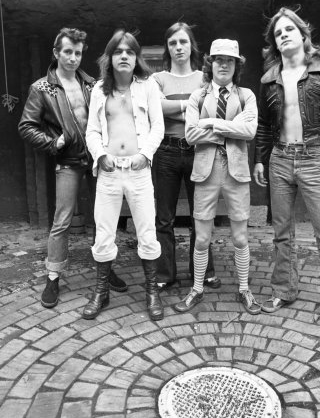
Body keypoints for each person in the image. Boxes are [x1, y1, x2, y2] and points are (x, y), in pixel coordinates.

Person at [253, 7, 320, 334]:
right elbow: (262, 124)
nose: (283, 35)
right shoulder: (268, 78)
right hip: (280, 159)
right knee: (282, 232)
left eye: (289, 29)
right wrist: (260, 158)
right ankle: (284, 291)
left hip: (315, 158)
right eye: (278, 33)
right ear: (275, 42)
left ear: (303, 34)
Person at [18, 27, 127, 309]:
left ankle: (106, 268)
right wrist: (54, 142)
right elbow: (26, 127)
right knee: (62, 220)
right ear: (56, 53)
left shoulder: (93, 84)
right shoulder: (41, 88)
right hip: (67, 161)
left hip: (96, 159)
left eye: (78, 53)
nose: (73, 58)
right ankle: (53, 275)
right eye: (67, 52)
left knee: (102, 218)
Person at [175, 38, 260, 314]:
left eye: (230, 60)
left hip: (237, 172)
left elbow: (249, 132)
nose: (224, 64)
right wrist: (231, 128)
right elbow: (190, 135)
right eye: (218, 59)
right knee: (201, 238)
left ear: (237, 65)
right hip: (205, 171)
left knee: (240, 237)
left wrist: (211, 123)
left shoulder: (247, 95)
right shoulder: (198, 96)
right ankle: (197, 288)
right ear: (210, 64)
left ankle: (244, 289)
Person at [84, 29, 164, 321]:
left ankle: (152, 291)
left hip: (138, 171)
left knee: (147, 231)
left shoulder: (148, 87)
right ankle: (101, 292)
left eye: (130, 51)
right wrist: (100, 155)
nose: (124, 56)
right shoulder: (98, 90)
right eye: (118, 51)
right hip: (108, 172)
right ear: (110, 57)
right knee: (104, 232)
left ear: (136, 57)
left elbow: (158, 127)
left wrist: (145, 155)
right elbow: (92, 130)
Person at [152, 22, 220, 291]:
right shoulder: (158, 79)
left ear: (191, 45)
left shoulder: (205, 79)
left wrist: (174, 109)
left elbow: (210, 113)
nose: (178, 47)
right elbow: (156, 108)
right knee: (164, 218)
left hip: (198, 151)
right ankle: (165, 274)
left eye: (182, 42)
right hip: (166, 151)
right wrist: (190, 105)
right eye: (172, 43)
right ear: (167, 48)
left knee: (200, 216)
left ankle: (204, 272)